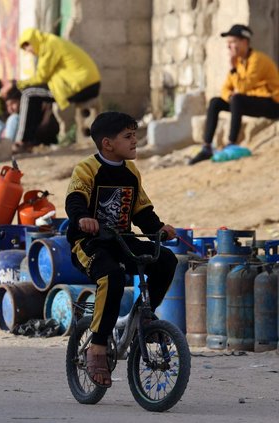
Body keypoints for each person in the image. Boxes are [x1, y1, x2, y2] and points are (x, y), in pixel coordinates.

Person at [65, 111, 178, 388]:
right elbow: (75, 200)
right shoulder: (86, 169)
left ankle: (145, 316)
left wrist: (159, 228)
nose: (134, 141)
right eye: (128, 137)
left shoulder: (131, 172)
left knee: (165, 259)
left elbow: (142, 211)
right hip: (89, 243)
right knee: (111, 276)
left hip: (121, 240)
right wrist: (83, 219)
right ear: (107, 144)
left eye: (134, 136)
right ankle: (98, 347)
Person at [189, 24, 279, 165]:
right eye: (228, 43)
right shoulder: (239, 62)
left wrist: (232, 70)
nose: (229, 47)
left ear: (244, 42)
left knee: (237, 98)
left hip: (273, 104)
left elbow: (243, 87)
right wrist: (230, 96)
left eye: (232, 42)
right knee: (216, 102)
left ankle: (231, 144)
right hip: (251, 101)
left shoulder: (257, 59)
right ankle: (207, 147)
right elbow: (225, 89)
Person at [5, 28, 101, 153]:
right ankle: (31, 140)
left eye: (27, 47)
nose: (29, 51)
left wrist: (17, 84)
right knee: (34, 94)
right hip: (86, 84)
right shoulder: (52, 42)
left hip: (80, 86)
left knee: (29, 94)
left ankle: (23, 141)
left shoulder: (50, 45)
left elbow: (41, 76)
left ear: (32, 41)